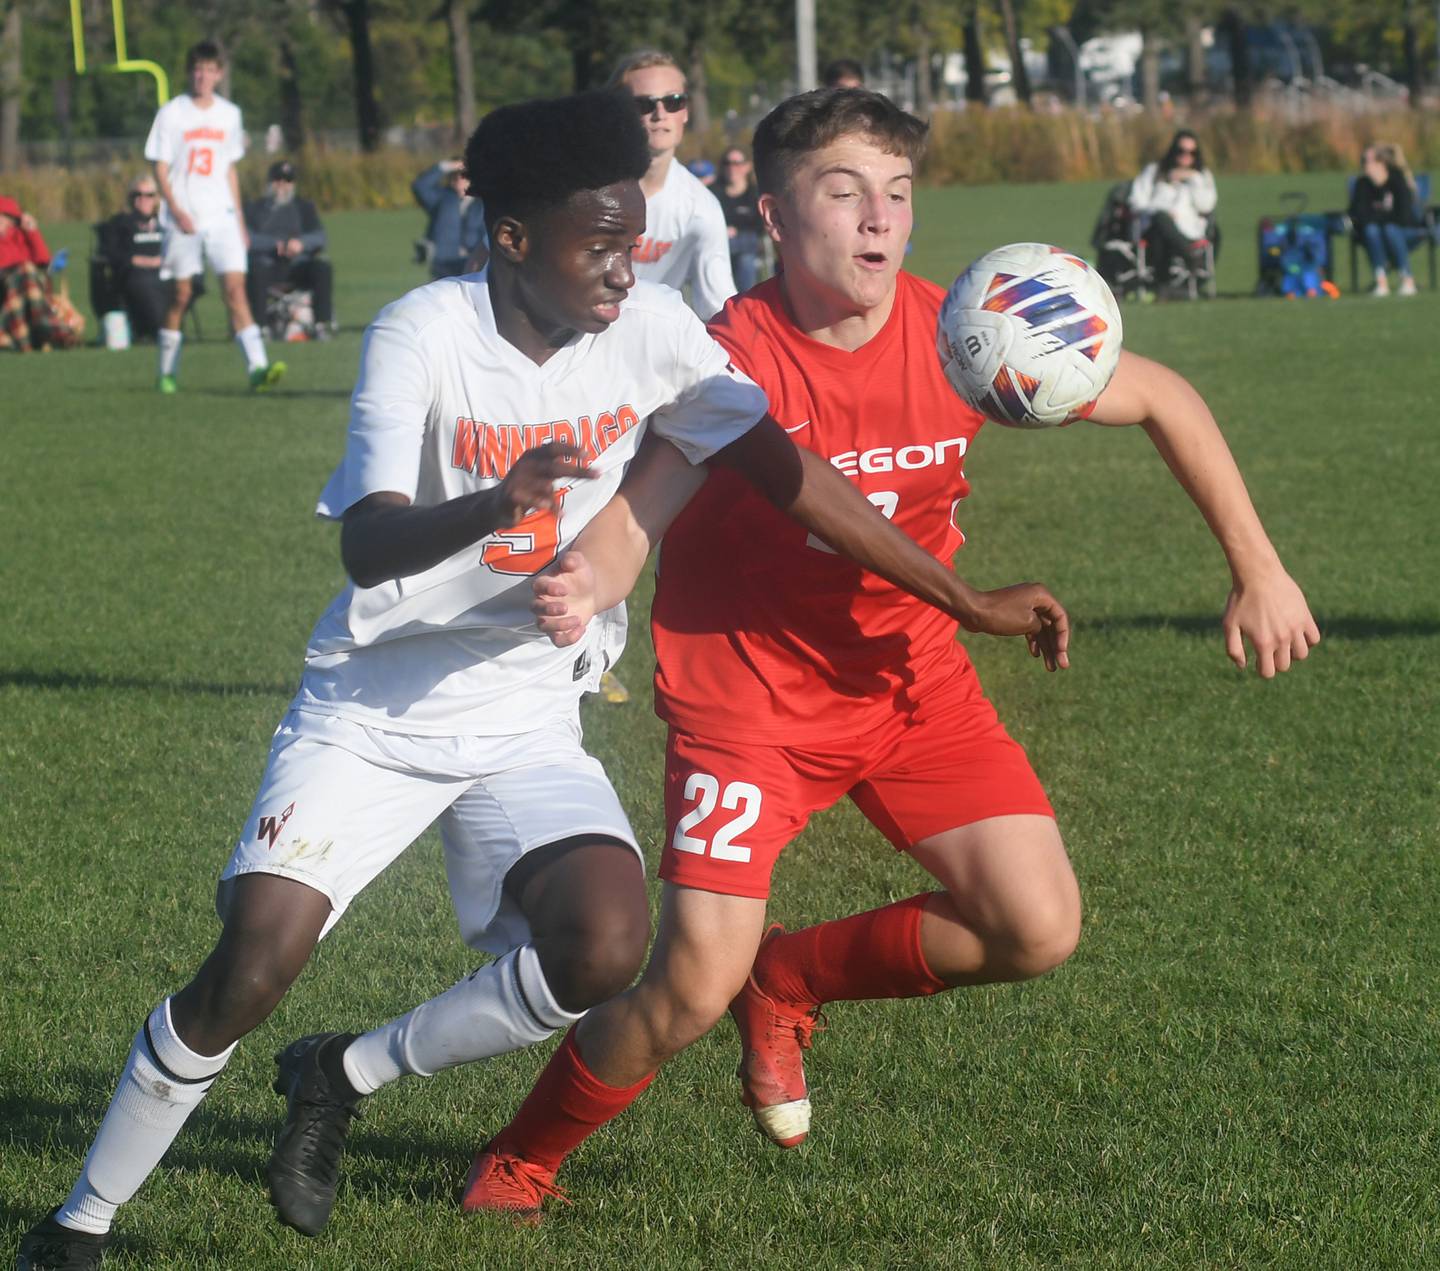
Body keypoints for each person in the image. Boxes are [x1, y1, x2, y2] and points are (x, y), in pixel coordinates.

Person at [15, 88, 1067, 1270]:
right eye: (599, 242)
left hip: (525, 712)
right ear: (511, 238)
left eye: (635, 236)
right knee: (255, 959)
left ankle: (342, 1069)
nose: (626, 267)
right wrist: (494, 502)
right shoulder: (424, 329)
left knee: (607, 943)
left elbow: (792, 472)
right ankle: (80, 1222)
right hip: (375, 708)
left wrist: (963, 600)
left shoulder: (657, 330)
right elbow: (365, 544)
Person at [456, 86, 1320, 1221]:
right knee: (687, 986)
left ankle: (796, 976)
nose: (878, 219)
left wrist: (1258, 567)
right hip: (750, 706)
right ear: (773, 212)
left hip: (913, 687)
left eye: (899, 194)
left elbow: (1162, 395)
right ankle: (519, 1160)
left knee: (1036, 923)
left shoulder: (968, 337)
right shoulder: (726, 361)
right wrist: (590, 576)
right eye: (844, 191)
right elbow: (641, 509)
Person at [145, 40, 284, 394]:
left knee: (236, 290)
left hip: (221, 215)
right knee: (181, 294)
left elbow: (229, 170)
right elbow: (159, 168)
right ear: (190, 72)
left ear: (219, 74)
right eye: (196, 69)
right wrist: (176, 210)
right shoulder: (172, 112)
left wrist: (239, 221)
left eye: (209, 70)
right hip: (184, 217)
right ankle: (167, 371)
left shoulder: (229, 114)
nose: (202, 76)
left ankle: (258, 368)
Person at [610, 49, 735, 320]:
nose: (660, 113)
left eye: (673, 101)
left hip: (647, 348)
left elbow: (717, 307)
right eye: (644, 104)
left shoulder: (701, 208)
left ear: (686, 112)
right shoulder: (584, 188)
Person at [244, 160, 335, 336]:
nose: (282, 185)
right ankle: (260, 327)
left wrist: (301, 244)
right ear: (269, 182)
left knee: (322, 268)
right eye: (277, 179)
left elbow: (320, 237)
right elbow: (246, 239)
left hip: (297, 266)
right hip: (267, 266)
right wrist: (274, 245)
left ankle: (322, 324)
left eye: (287, 180)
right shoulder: (253, 208)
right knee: (255, 271)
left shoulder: (304, 207)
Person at [1128, 128, 1218, 290]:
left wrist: (1193, 178)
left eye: (1192, 153)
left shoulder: (1202, 176)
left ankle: (1180, 269)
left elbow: (1206, 205)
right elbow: (1137, 201)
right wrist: (1162, 211)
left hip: (1188, 230)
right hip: (1154, 227)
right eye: (1181, 151)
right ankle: (1187, 257)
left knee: (1167, 228)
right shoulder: (1155, 171)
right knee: (1161, 221)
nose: (1186, 156)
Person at [0, 196, 79, 352]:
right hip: (6, 287)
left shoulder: (21, 236)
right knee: (26, 270)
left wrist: (32, 232)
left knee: (28, 272)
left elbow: (43, 260)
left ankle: (26, 338)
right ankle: (42, 323)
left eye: (4, 219)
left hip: (26, 291)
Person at [96, 176, 169, 340]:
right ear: (130, 198)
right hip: (134, 276)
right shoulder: (120, 223)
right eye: (138, 195)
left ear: (156, 198)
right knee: (145, 285)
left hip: (166, 272)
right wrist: (139, 260)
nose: (143, 199)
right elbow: (111, 253)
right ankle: (159, 328)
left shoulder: (165, 223)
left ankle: (168, 328)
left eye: (149, 195)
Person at [1349, 143, 1419, 297]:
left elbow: (1403, 214)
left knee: (1390, 229)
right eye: (1363, 161)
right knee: (1372, 231)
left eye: (1368, 160)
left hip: (1403, 231)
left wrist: (1378, 218)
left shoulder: (1397, 179)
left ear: (1382, 163)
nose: (1364, 164)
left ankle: (1407, 279)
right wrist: (1381, 219)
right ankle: (1381, 281)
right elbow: (1359, 214)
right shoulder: (1362, 184)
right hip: (1375, 232)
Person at [412, 157, 488, 279]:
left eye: (466, 177)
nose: (461, 181)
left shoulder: (483, 204)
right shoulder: (441, 200)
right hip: (444, 263)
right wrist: (447, 166)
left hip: (474, 261)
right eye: (457, 177)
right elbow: (420, 186)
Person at [715, 145, 764, 292]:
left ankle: (745, 302)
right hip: (719, 243)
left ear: (747, 166)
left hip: (747, 242)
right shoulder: (713, 194)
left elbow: (760, 226)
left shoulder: (756, 194)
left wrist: (737, 231)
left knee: (745, 260)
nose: (732, 168)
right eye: (727, 163)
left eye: (737, 163)